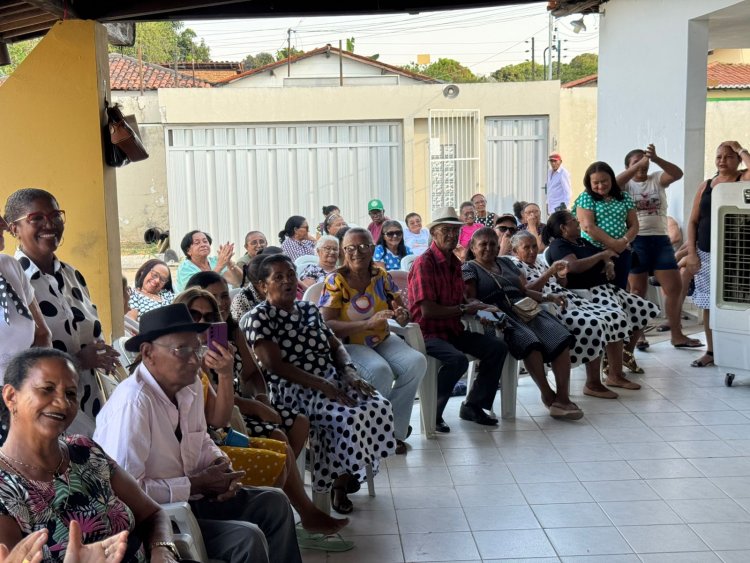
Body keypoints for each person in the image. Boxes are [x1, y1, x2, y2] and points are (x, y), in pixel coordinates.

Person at [94, 304, 303, 563]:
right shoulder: (134, 404)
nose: (195, 360)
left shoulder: (189, 384)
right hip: (155, 519)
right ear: (148, 353)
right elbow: (127, 493)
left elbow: (201, 437)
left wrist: (219, 465)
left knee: (274, 502)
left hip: (192, 499)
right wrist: (196, 484)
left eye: (197, 349)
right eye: (182, 350)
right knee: (247, 539)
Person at [174, 287, 348, 537]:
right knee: (276, 455)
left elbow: (219, 414)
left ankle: (279, 517)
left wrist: (231, 377)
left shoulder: (209, 348)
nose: (202, 322)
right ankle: (270, 520)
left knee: (289, 436)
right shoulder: (179, 361)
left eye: (209, 317)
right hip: (198, 451)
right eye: (194, 315)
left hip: (214, 434)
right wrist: (251, 404)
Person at [243, 254, 394, 514]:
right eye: (278, 277)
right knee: (344, 417)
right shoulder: (258, 318)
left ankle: (347, 476)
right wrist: (322, 385)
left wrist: (349, 372)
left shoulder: (308, 308)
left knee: (377, 406)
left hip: (331, 377)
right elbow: (274, 365)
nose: (287, 281)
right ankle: (333, 483)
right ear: (262, 286)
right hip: (292, 388)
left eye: (290, 274)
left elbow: (335, 344)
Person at [0, 348, 176, 562]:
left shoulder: (85, 451)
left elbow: (153, 514)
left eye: (71, 394)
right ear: (11, 396)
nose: (63, 403)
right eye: (47, 389)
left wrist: (163, 551)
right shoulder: (5, 489)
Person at [4, 188, 120, 437]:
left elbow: (89, 333)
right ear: (14, 229)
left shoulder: (73, 275)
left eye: (56, 215)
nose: (50, 223)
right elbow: (24, 355)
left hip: (90, 399)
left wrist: (102, 353)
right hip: (49, 409)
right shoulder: (14, 280)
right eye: (36, 218)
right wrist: (78, 360)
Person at [319, 228, 426, 455]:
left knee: (416, 362)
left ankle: (392, 431)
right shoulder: (335, 280)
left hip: (382, 338)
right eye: (350, 248)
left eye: (363, 246)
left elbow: (400, 307)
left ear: (373, 248)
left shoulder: (381, 275)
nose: (357, 252)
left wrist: (402, 314)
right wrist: (366, 323)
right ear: (344, 251)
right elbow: (326, 324)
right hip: (349, 344)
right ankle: (378, 432)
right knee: (380, 371)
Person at [407, 207, 508, 433]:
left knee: (497, 348)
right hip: (427, 334)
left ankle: (474, 405)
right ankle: (432, 412)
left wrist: (480, 308)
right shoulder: (425, 263)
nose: (451, 235)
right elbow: (428, 311)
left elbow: (461, 299)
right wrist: (464, 308)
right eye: (445, 230)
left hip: (452, 330)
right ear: (433, 233)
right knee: (457, 360)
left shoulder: (454, 263)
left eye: (455, 230)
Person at [463, 228, 582, 419]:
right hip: (498, 314)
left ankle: (563, 398)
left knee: (561, 337)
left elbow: (524, 291)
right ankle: (548, 395)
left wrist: (547, 296)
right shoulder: (469, 267)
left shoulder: (505, 262)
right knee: (529, 341)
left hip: (524, 307)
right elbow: (469, 298)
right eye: (483, 244)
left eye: (493, 244)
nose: (489, 248)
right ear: (473, 247)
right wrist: (483, 307)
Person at [509, 230, 633, 399]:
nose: (531, 251)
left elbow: (562, 284)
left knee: (614, 315)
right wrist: (549, 272)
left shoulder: (538, 263)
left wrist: (561, 275)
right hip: (550, 306)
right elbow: (527, 290)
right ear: (515, 251)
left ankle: (615, 374)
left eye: (533, 246)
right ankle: (592, 383)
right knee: (594, 323)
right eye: (526, 248)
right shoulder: (515, 266)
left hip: (568, 298)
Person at [546, 211, 660, 379]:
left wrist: (608, 263)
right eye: (573, 221)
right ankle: (615, 373)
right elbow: (573, 266)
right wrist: (602, 256)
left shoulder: (581, 241)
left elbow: (605, 255)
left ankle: (624, 354)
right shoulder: (559, 245)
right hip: (584, 293)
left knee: (644, 308)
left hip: (604, 289)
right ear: (563, 227)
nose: (578, 222)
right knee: (617, 316)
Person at [617, 144, 702, 350]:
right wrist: (635, 167)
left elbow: (677, 173)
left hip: (661, 240)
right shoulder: (627, 185)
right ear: (628, 166)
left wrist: (655, 159)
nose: (642, 164)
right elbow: (614, 183)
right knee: (637, 290)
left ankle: (677, 335)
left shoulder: (656, 178)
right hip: (637, 240)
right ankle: (639, 337)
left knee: (674, 288)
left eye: (643, 160)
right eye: (635, 161)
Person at [683, 140, 750, 368]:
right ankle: (711, 351)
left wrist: (741, 149)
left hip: (736, 256)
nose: (722, 161)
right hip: (706, 253)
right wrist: (692, 253)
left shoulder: (743, 180)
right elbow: (693, 221)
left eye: (729, 157)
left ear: (739, 160)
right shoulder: (707, 185)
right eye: (719, 156)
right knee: (709, 304)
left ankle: (738, 350)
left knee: (737, 303)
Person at [0, 213, 51, 386]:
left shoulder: (10, 267)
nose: (4, 225)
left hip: (23, 391)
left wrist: (37, 386)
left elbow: (42, 334)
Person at [574, 161, 639, 290]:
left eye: (604, 181)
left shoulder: (624, 197)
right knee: (599, 290)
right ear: (589, 183)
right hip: (593, 252)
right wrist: (614, 244)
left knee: (620, 289)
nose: (600, 185)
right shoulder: (586, 197)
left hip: (621, 252)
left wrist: (623, 241)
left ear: (612, 179)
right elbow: (588, 227)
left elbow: (634, 225)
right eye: (596, 183)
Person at [175, 230, 242, 292]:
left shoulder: (215, 261)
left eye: (205, 241)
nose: (203, 245)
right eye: (197, 243)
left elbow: (237, 281)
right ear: (188, 251)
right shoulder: (185, 268)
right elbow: (198, 290)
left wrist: (229, 263)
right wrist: (219, 266)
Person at [230, 247, 284, 322]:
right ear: (262, 285)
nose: (283, 281)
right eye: (277, 277)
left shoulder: (282, 292)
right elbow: (239, 329)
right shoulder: (241, 301)